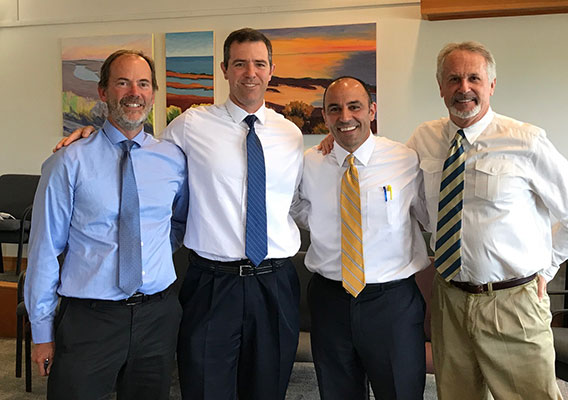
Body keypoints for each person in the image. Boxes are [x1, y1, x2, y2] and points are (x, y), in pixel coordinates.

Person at [54, 28, 303, 400]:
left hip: (275, 281)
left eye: (259, 64)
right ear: (224, 69)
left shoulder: (291, 134)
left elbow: (299, 199)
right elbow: (138, 150)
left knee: (268, 387)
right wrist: (92, 134)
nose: (250, 72)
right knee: (203, 387)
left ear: (271, 70)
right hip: (212, 282)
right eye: (239, 63)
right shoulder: (191, 125)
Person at [405, 42, 568, 399]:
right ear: (440, 86)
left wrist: (548, 268)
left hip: (513, 300)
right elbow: (405, 190)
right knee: (457, 394)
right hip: (449, 298)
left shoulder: (526, 140)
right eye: (454, 78)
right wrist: (336, 147)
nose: (464, 88)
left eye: (474, 78)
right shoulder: (424, 139)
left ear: (491, 85)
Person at [25, 49, 188, 400]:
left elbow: (179, 222)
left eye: (143, 83)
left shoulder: (173, 159)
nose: (135, 92)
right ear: (103, 92)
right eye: (123, 82)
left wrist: (150, 251)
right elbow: (43, 250)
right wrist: (41, 331)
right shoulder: (68, 163)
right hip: (90, 320)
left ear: (154, 94)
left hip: (157, 316)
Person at [293, 76, 430, 399]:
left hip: (392, 303)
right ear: (324, 117)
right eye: (334, 109)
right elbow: (296, 208)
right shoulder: (309, 162)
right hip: (330, 302)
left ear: (372, 110)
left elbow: (428, 214)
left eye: (354, 107)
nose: (345, 117)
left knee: (401, 392)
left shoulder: (406, 160)